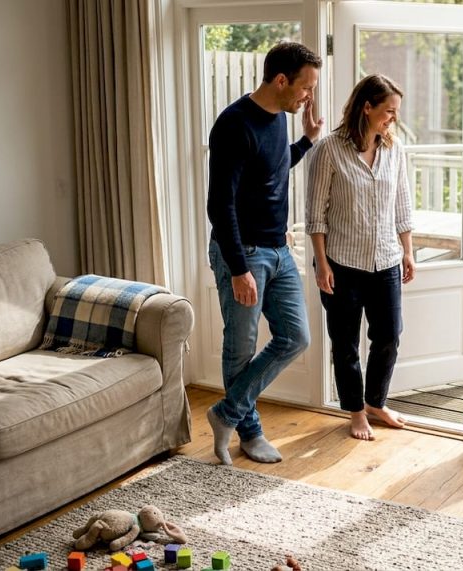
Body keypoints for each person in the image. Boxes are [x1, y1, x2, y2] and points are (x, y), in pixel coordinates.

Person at [205, 42, 325, 465]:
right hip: (243, 254)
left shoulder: (278, 119)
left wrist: (307, 141)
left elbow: (272, 167)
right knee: (241, 347)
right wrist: (238, 268)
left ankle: (226, 413)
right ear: (281, 80)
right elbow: (219, 205)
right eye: (306, 87)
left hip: (278, 249)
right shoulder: (233, 124)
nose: (309, 96)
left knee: (296, 337)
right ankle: (249, 432)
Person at [305, 74, 415, 441]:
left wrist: (408, 251)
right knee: (345, 342)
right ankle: (355, 412)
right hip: (342, 264)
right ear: (367, 107)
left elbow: (402, 204)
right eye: (389, 111)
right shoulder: (329, 149)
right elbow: (315, 214)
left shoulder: (394, 150)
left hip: (386, 260)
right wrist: (321, 263)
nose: (393, 118)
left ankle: (375, 403)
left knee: (389, 336)